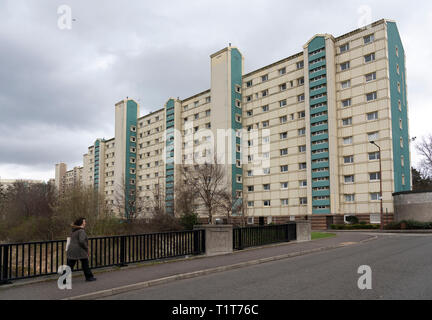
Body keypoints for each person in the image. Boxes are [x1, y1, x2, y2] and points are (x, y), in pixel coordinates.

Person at [66, 217, 96, 282]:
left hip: (71, 249)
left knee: (70, 265)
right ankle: (89, 277)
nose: (85, 223)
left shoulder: (73, 230)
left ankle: (64, 279)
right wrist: (86, 247)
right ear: (82, 223)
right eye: (84, 222)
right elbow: (82, 241)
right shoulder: (81, 231)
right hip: (80, 250)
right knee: (85, 264)